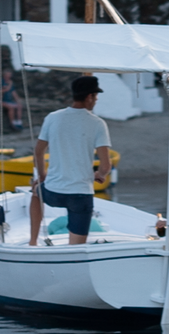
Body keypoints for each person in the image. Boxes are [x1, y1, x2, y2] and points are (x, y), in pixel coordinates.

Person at [28, 75, 113, 246]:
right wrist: (99, 174)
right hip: (81, 195)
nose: (95, 101)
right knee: (75, 248)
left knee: (36, 192)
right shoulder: (97, 123)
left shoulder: (53, 117)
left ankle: (33, 241)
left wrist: (43, 176)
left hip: (53, 192)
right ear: (89, 97)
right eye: (95, 97)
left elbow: (38, 151)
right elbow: (106, 166)